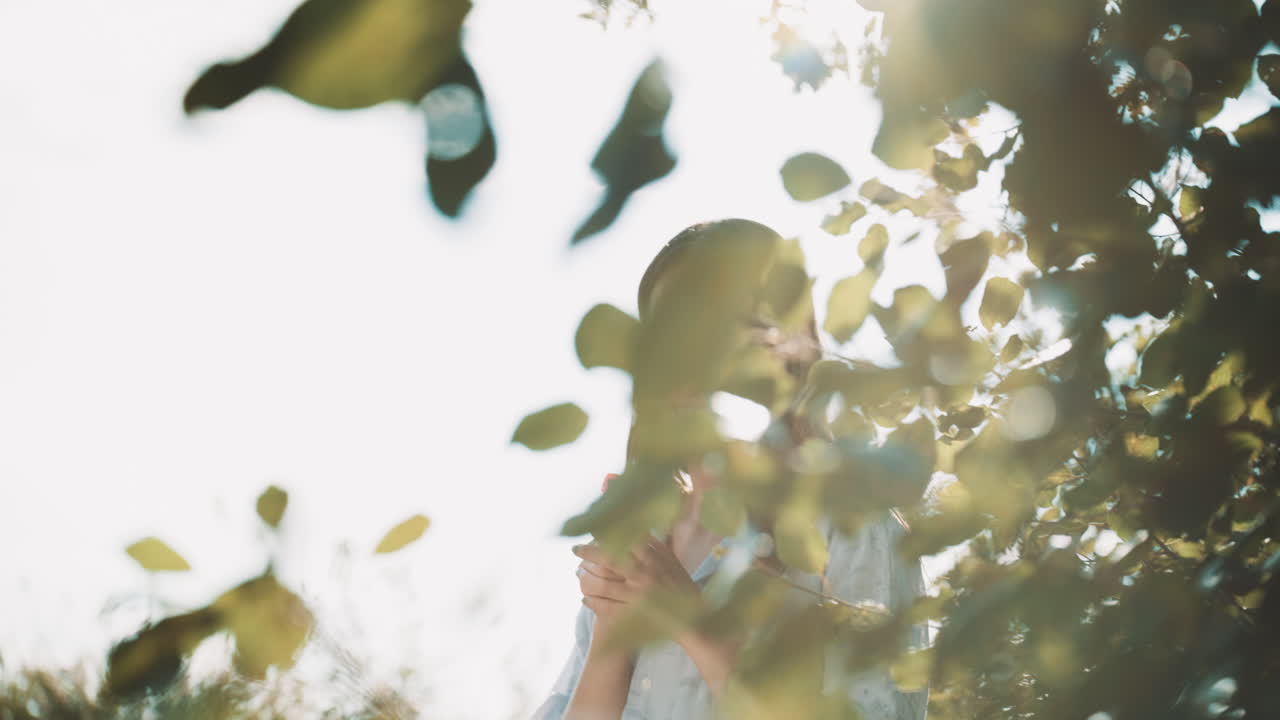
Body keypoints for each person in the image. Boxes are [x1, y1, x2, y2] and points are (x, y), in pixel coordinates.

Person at [531, 219, 928, 720]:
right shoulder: (646, 535)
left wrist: (690, 619)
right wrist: (612, 626)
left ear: (787, 341)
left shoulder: (850, 523)